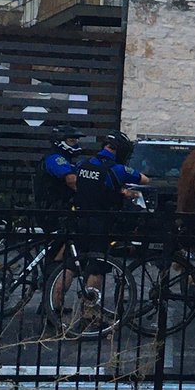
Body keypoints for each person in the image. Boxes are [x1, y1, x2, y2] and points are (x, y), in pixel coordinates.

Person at [63, 131, 149, 318]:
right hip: (100, 223)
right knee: (97, 267)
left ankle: (53, 311)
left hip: (79, 219)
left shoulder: (83, 164)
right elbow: (144, 179)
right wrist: (122, 190)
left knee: (70, 266)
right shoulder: (116, 169)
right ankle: (89, 315)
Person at [34, 124, 82, 210]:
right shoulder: (55, 158)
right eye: (72, 141)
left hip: (59, 207)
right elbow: (71, 180)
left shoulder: (67, 159)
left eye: (77, 141)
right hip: (52, 210)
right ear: (59, 141)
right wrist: (88, 194)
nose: (75, 144)